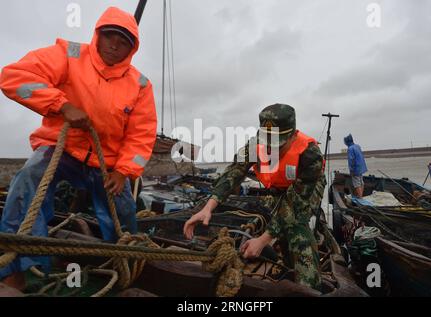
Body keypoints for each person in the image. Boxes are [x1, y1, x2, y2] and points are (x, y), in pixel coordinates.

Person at [0, 7, 157, 289]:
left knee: (123, 209)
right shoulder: (69, 55)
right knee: (27, 181)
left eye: (123, 42)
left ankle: (124, 270)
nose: (114, 45)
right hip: (61, 149)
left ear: (132, 48)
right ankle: (19, 270)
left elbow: (141, 135)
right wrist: (61, 104)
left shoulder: (141, 85)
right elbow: (13, 76)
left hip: (105, 161)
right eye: (110, 37)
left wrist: (124, 172)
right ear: (98, 35)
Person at [183, 104, 326, 290]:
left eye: (277, 145)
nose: (269, 149)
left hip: (306, 188)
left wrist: (262, 240)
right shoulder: (254, 145)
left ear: (293, 135)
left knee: (296, 227)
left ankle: (310, 286)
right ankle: (289, 266)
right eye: (267, 141)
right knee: (279, 224)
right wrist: (208, 207)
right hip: (278, 188)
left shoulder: (310, 154)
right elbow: (233, 173)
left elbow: (295, 205)